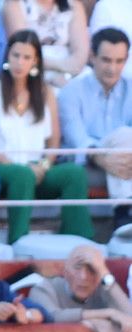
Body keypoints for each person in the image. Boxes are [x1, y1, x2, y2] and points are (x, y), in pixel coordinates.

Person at [0, 29, 93, 244]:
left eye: (27, 57)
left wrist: (44, 166)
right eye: (16, 55)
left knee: (75, 174)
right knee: (22, 175)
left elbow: (54, 141)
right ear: (7, 57)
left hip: (37, 169)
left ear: (36, 61)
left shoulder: (46, 92)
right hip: (1, 168)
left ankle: (79, 241)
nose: (20, 62)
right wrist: (17, 167)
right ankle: (19, 242)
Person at [59, 27, 132, 228]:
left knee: (126, 138)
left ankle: (124, 214)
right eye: (106, 60)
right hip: (86, 164)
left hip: (125, 162)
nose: (113, 68)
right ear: (92, 56)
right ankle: (124, 211)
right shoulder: (71, 92)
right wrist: (102, 157)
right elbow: (77, 139)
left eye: (120, 61)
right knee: (126, 135)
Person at [29, 242, 132, 332]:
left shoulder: (103, 289)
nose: (83, 277)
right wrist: (109, 313)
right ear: (65, 272)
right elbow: (52, 316)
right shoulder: (46, 288)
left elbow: (129, 317)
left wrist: (105, 274)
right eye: (78, 268)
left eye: (91, 269)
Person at [3, 0, 87, 89]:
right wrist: (53, 72)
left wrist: (65, 74)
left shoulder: (74, 6)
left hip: (69, 69)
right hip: (32, 68)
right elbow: (22, 51)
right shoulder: (15, 4)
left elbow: (80, 54)